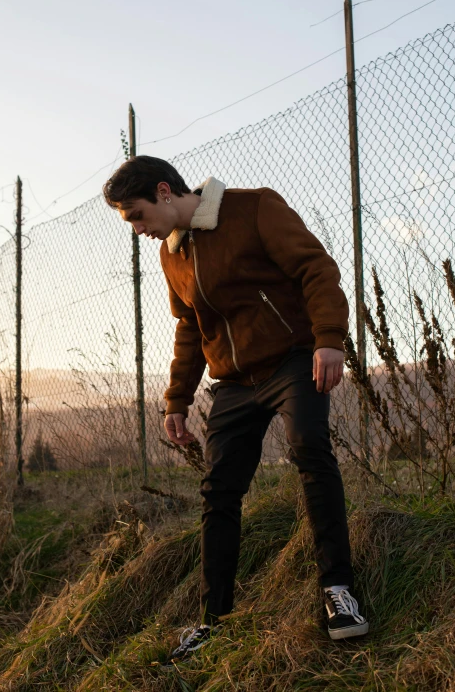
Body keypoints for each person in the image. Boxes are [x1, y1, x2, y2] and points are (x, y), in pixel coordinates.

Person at [102, 155, 368, 664]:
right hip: (234, 381)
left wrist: (329, 340)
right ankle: (213, 619)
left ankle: (339, 592)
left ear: (163, 192)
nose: (137, 231)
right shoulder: (172, 255)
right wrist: (177, 400)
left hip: (294, 359)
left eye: (136, 216)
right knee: (219, 489)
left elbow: (316, 268)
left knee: (309, 450)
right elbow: (189, 328)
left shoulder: (254, 208)